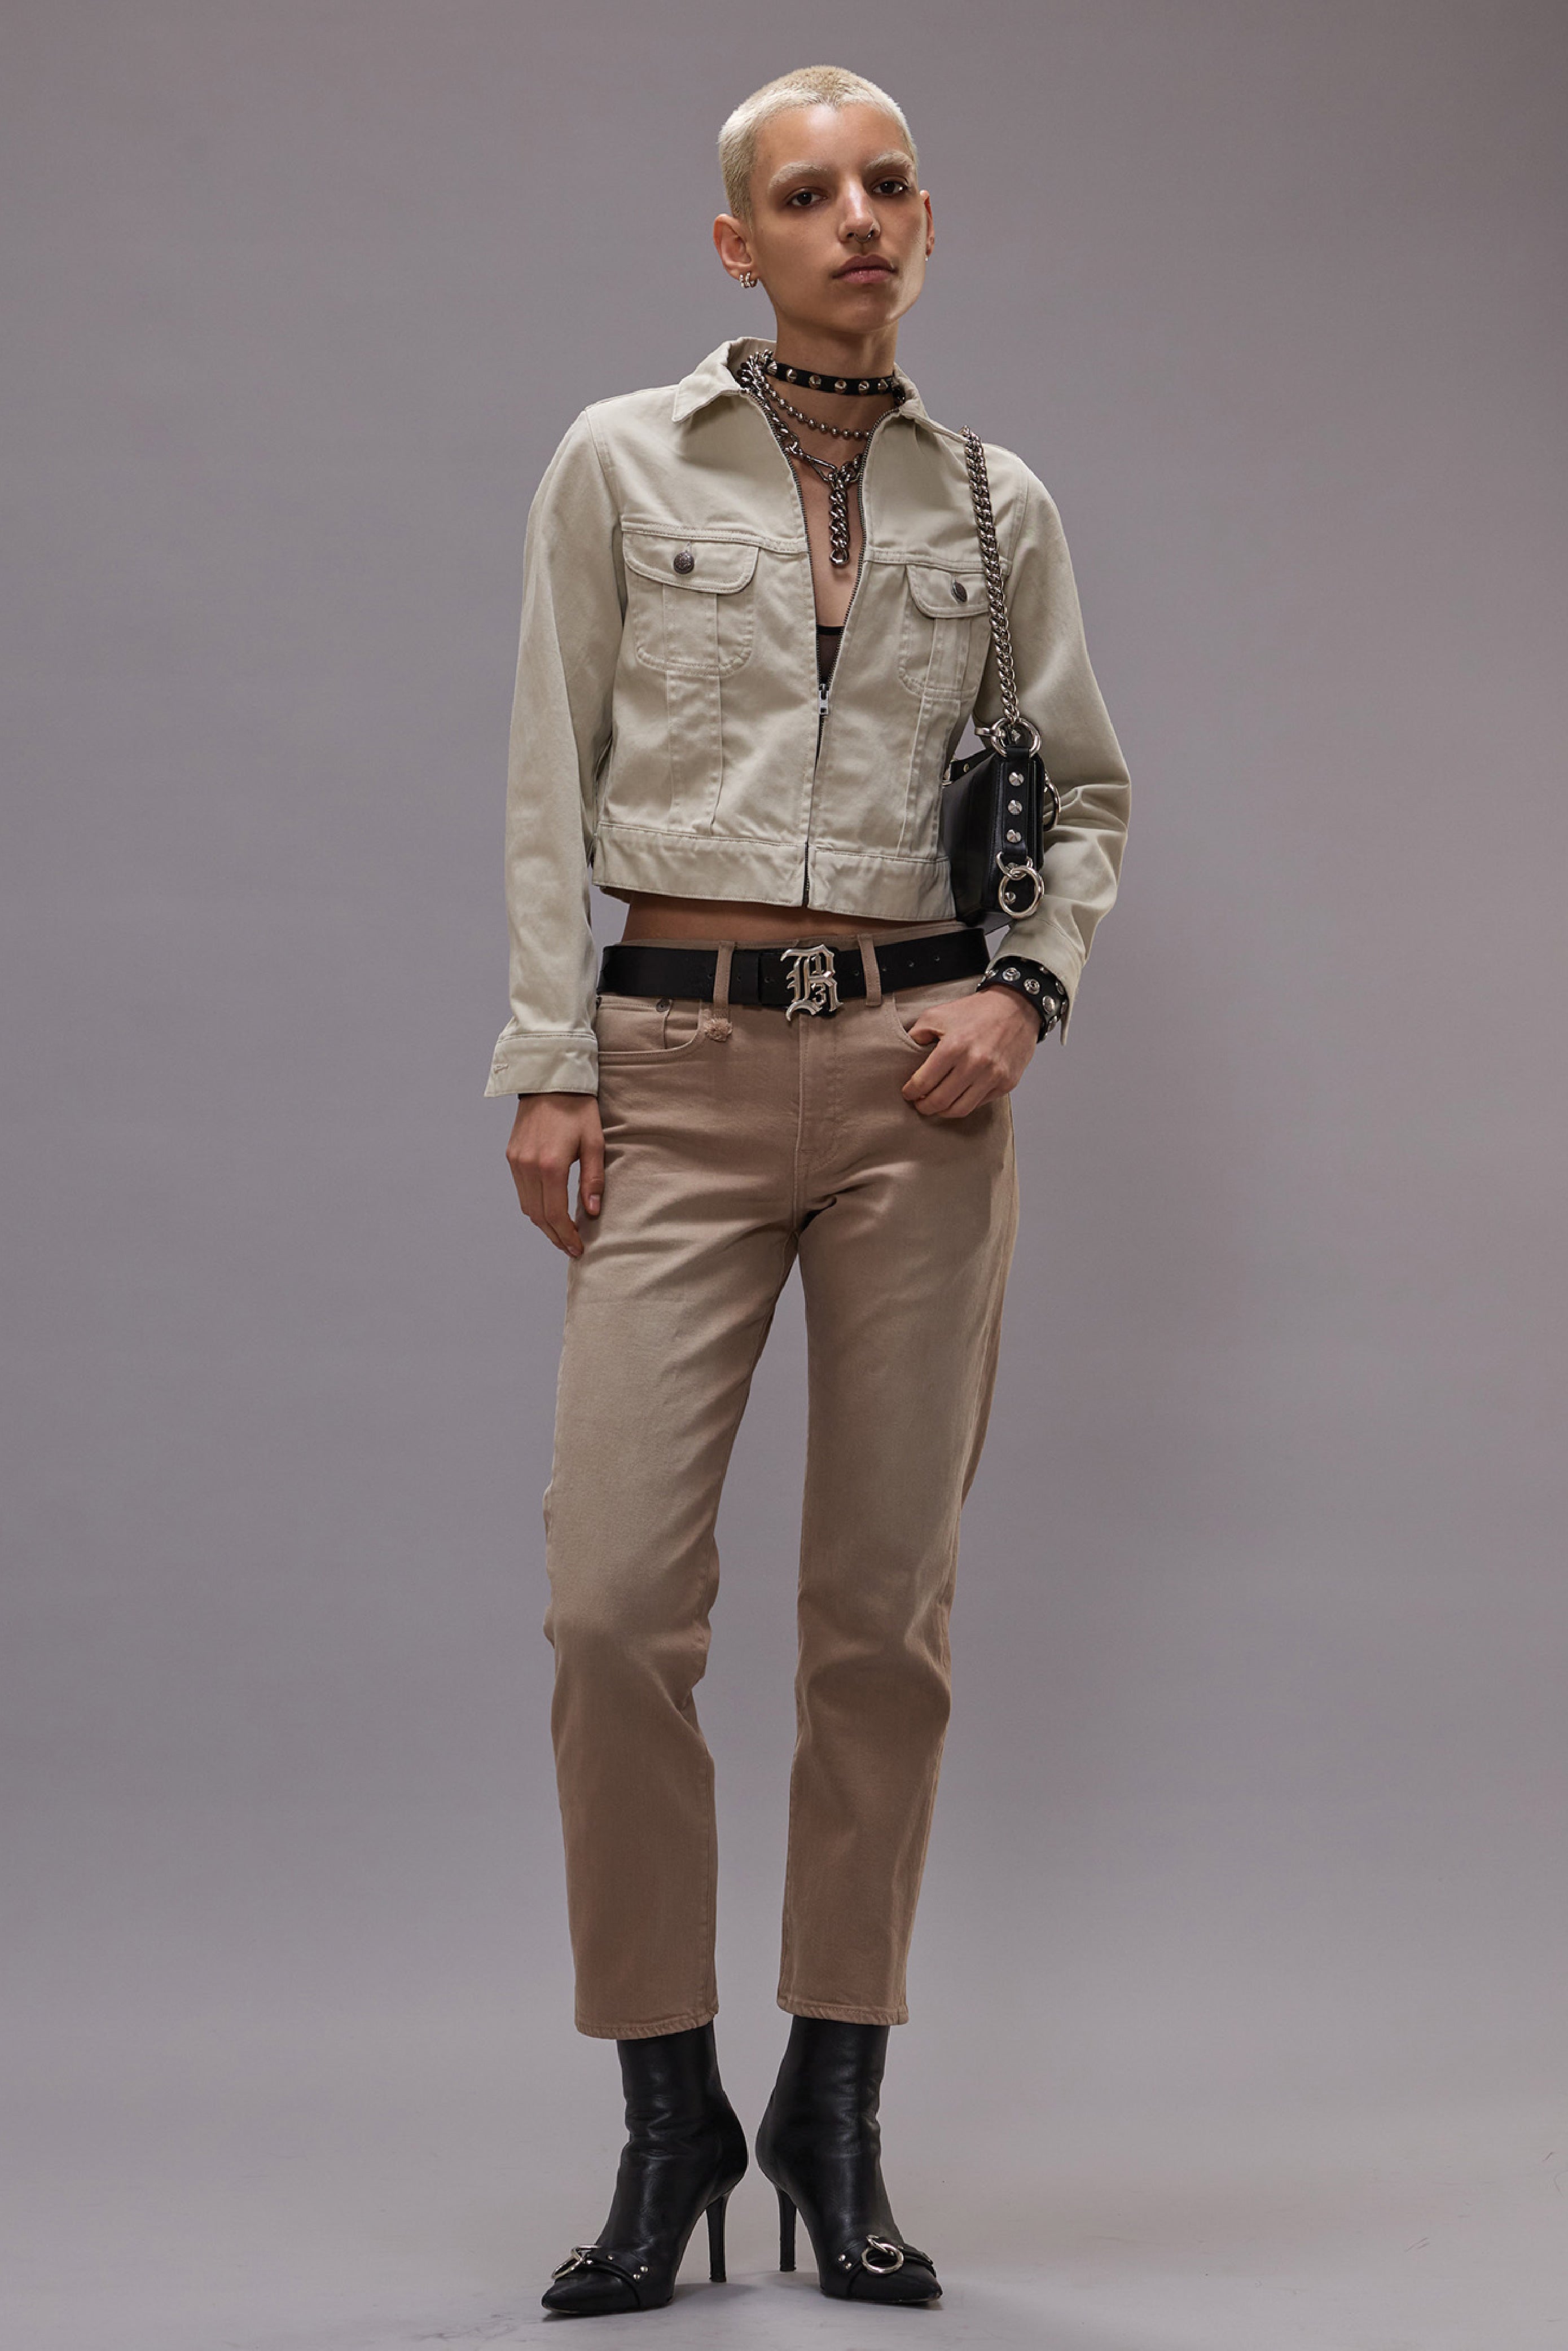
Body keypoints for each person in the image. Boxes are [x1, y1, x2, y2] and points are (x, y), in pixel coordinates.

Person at [485, 64, 1130, 2314]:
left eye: (885, 187)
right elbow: (545, 775)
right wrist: (545, 1061)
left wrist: (1023, 994)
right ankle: (667, 2117)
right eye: (804, 193)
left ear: (923, 224)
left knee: (877, 1620)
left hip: (913, 1092)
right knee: (609, 1612)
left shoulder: (997, 505)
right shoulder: (618, 461)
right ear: (735, 242)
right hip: (668, 1071)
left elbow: (1082, 794)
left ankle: (832, 2106)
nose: (854, 219)